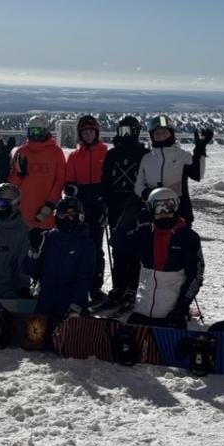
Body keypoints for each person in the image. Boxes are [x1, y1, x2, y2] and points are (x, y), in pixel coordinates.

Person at [114, 187, 204, 328]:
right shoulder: (145, 232)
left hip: (171, 314)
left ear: (176, 207)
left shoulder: (188, 237)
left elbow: (196, 275)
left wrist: (181, 307)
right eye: (158, 208)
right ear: (151, 209)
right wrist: (126, 218)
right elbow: (118, 243)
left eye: (168, 207)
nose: (164, 213)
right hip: (142, 311)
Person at [101, 115, 149, 306]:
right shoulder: (112, 154)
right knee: (118, 246)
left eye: (129, 131)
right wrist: (104, 200)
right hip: (116, 206)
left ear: (137, 132)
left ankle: (132, 286)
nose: (126, 135)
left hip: (136, 206)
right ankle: (119, 285)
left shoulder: (144, 154)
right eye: (122, 131)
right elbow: (105, 179)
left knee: (135, 247)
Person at [21, 195, 95, 316]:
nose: (67, 218)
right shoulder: (47, 238)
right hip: (45, 304)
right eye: (62, 214)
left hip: (72, 307)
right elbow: (29, 270)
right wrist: (34, 252)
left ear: (80, 216)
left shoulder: (86, 243)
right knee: (34, 328)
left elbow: (85, 277)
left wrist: (76, 305)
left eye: (71, 214)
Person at [133, 115, 211, 225]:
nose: (161, 136)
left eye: (164, 132)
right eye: (157, 134)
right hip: (153, 212)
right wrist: (148, 193)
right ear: (152, 136)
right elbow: (138, 185)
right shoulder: (147, 159)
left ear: (171, 133)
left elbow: (198, 175)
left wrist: (200, 151)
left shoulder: (183, 156)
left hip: (180, 212)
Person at [64, 115, 109, 301]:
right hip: (80, 204)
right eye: (85, 132)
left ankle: (95, 286)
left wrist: (106, 201)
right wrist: (70, 188)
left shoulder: (105, 152)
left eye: (91, 131)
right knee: (77, 245)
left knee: (95, 247)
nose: (88, 135)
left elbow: (110, 178)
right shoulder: (75, 156)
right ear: (80, 134)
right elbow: (69, 179)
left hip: (98, 203)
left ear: (96, 133)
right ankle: (76, 282)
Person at [8, 115, 67, 231]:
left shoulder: (56, 152)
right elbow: (12, 184)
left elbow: (60, 181)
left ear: (46, 132)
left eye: (39, 131)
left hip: (46, 211)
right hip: (23, 213)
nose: (35, 135)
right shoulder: (22, 152)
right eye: (32, 131)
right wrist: (19, 175)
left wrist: (50, 204)